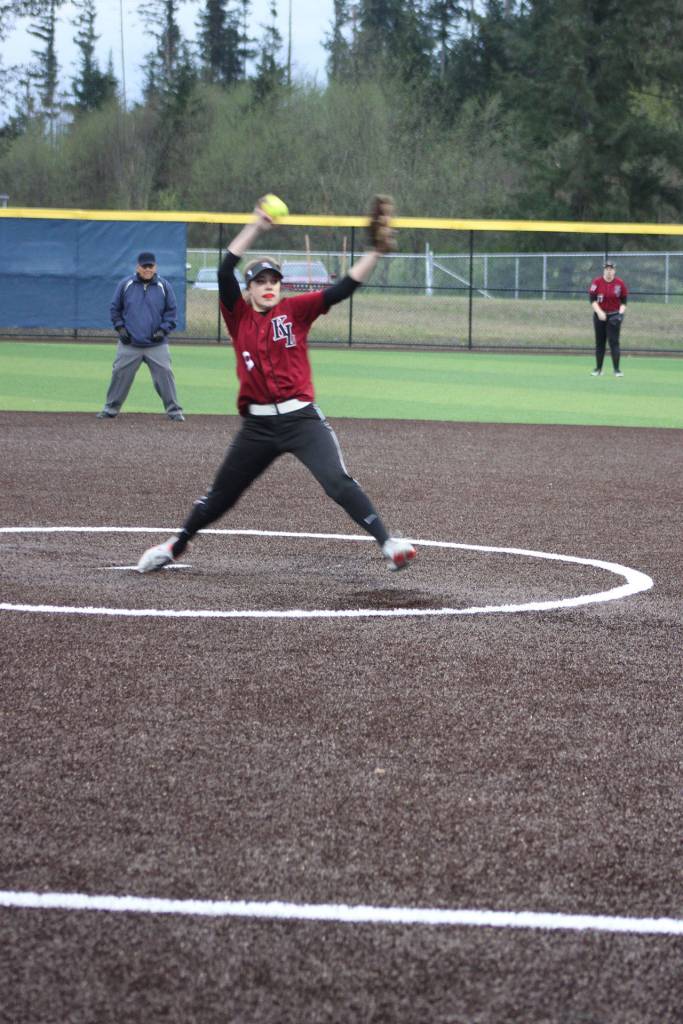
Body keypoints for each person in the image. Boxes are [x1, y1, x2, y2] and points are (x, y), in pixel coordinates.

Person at [136, 197, 416, 575]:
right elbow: (224, 271)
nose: (268, 286)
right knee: (222, 496)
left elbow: (342, 289)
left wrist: (375, 252)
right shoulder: (238, 318)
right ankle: (175, 545)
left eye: (274, 281)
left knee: (337, 481)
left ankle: (389, 544)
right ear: (249, 290)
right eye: (259, 282)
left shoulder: (295, 312)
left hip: (301, 419)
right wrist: (256, 224)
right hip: (258, 428)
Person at [97, 251, 185, 420]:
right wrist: (121, 329)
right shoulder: (126, 284)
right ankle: (110, 409)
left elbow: (171, 312)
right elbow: (115, 309)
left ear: (155, 267)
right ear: (137, 267)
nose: (147, 269)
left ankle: (174, 411)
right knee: (120, 374)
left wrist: (163, 330)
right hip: (130, 343)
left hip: (156, 344)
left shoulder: (164, 286)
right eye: (144, 266)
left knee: (165, 375)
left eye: (150, 266)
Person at [589, 261, 628, 377]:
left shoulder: (619, 283)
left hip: (614, 316)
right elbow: (592, 300)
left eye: (611, 269)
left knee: (614, 343)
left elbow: (624, 302)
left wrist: (620, 314)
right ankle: (598, 369)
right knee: (600, 343)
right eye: (607, 269)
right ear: (604, 270)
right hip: (599, 316)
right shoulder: (597, 282)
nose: (609, 271)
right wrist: (599, 312)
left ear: (614, 270)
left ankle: (617, 370)